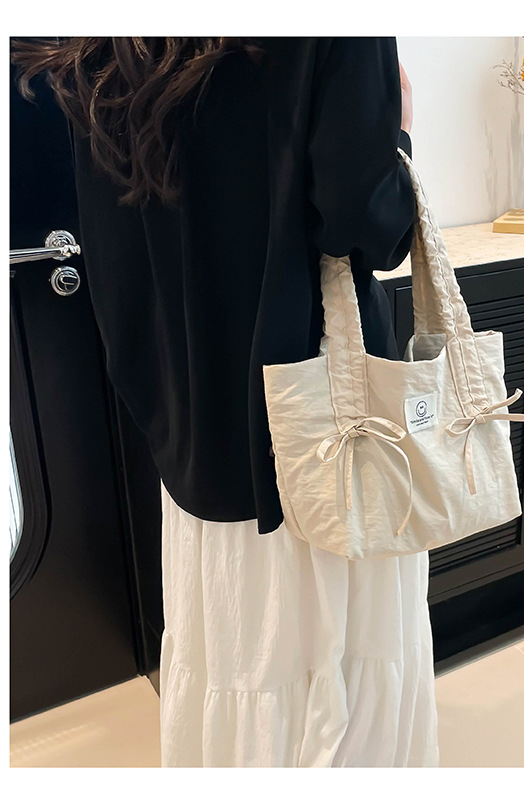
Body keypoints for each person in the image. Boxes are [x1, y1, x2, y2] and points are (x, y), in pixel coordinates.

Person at [11, 37, 439, 767]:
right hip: (323, 426)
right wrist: (396, 127)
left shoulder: (106, 39)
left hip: (192, 423)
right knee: (341, 670)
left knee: (235, 660)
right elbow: (367, 227)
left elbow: (114, 240)